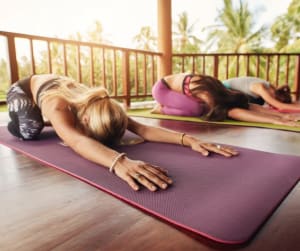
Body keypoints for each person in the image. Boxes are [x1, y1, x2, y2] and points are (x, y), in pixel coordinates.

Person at [6, 74, 239, 192]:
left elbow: (144, 129)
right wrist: (119, 161)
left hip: (63, 94)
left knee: (64, 127)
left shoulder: (104, 107)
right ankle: (33, 120)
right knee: (30, 130)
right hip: (25, 89)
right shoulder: (58, 105)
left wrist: (190, 140)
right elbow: (77, 141)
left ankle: (57, 124)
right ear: (85, 119)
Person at [151, 73, 300, 126]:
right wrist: (275, 120)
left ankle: (168, 105)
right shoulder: (209, 94)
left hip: (186, 92)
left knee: (225, 109)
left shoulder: (223, 91)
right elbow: (232, 112)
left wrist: (283, 116)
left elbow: (247, 106)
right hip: (162, 89)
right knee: (196, 109)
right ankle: (162, 108)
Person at [222, 76, 300, 111]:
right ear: (275, 96)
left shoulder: (271, 87)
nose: (271, 103)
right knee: (258, 102)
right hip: (222, 90)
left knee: (259, 102)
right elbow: (280, 106)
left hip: (236, 93)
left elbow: (286, 104)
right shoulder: (260, 88)